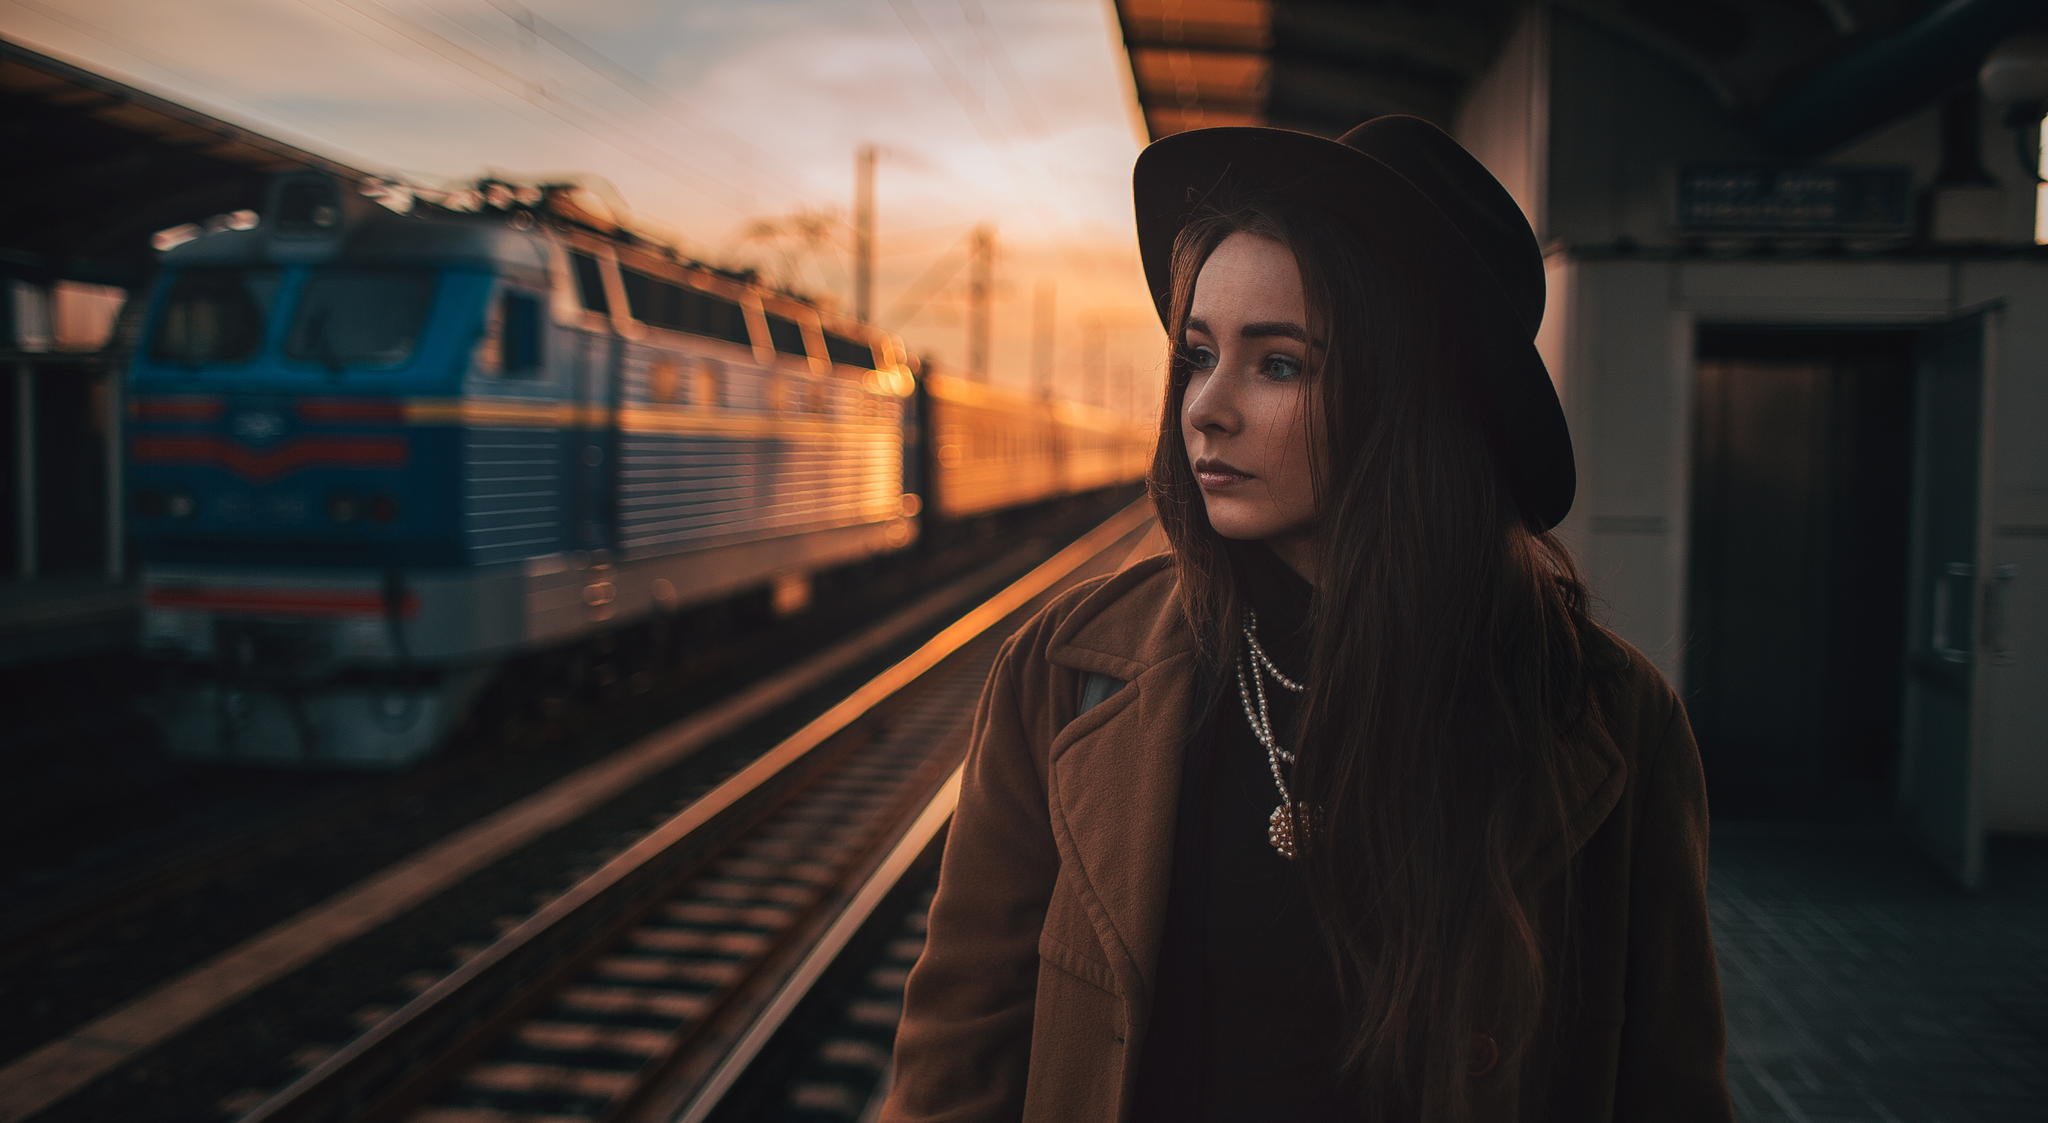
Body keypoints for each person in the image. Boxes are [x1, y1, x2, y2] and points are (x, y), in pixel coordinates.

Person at [878, 115, 1732, 1123]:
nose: (1204, 406)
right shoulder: (1063, 674)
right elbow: (954, 1068)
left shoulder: (1608, 720)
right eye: (1196, 355)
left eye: (1277, 364)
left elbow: (1665, 1088)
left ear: (1415, 397)